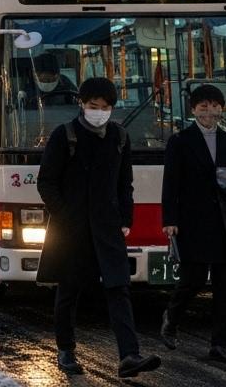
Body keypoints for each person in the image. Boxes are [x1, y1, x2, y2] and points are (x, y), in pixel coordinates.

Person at [36, 77, 160, 378]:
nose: (99, 112)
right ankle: (66, 350)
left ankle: (129, 355)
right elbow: (46, 182)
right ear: (81, 103)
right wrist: (64, 215)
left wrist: (126, 219)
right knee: (69, 291)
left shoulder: (119, 136)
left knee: (119, 288)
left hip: (108, 227)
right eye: (94, 106)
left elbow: (124, 183)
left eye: (105, 107)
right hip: (72, 229)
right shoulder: (65, 136)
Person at [158, 85, 226, 365]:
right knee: (192, 280)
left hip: (225, 220)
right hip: (193, 220)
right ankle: (171, 318)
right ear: (193, 110)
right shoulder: (180, 141)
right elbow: (170, 182)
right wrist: (169, 220)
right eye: (203, 106)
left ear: (222, 109)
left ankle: (220, 344)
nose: (209, 111)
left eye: (214, 106)